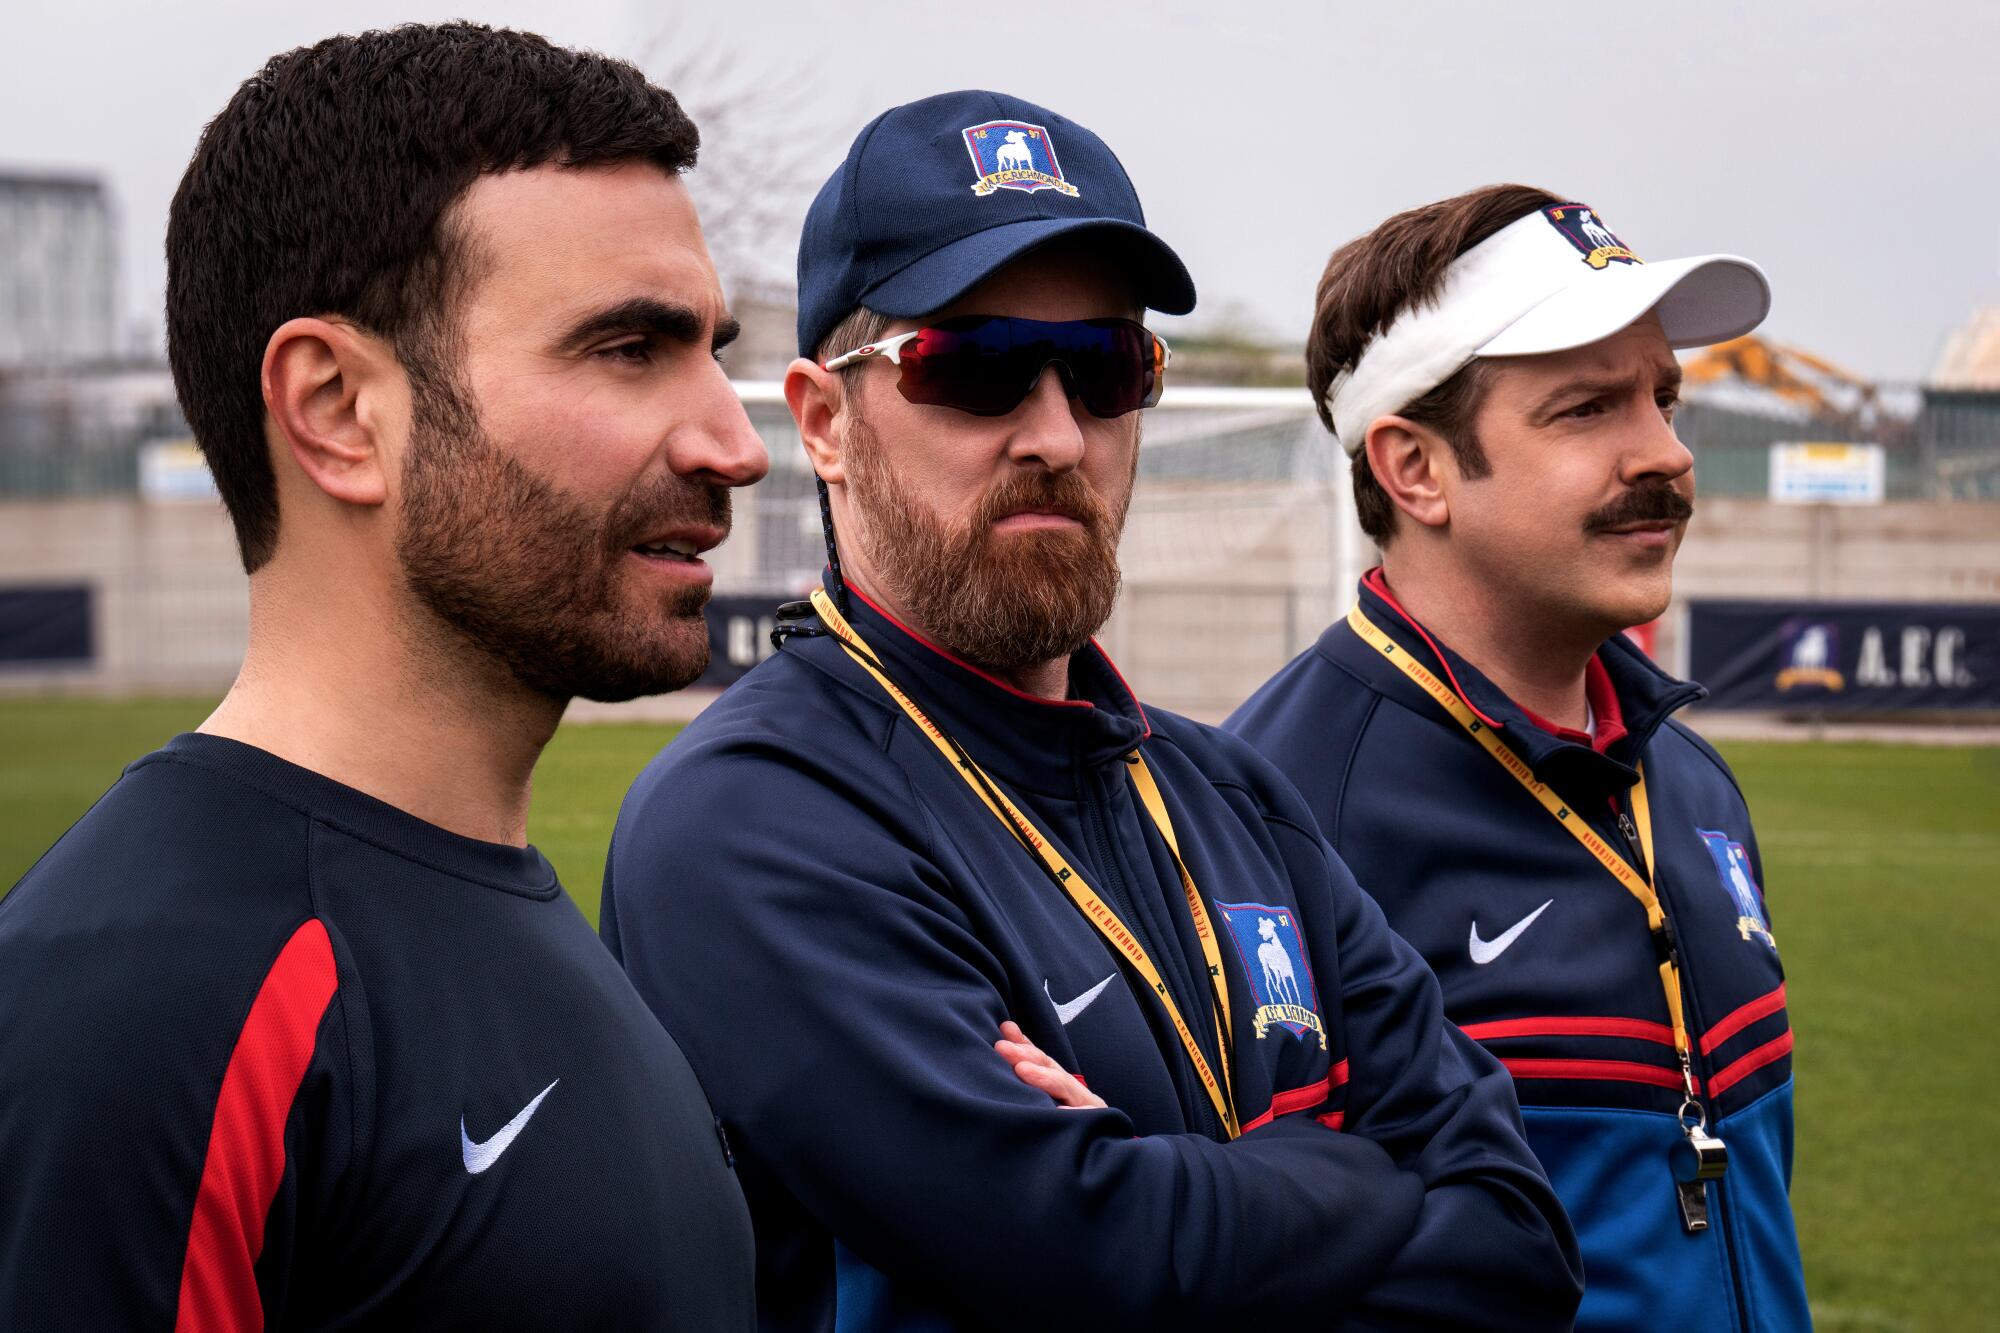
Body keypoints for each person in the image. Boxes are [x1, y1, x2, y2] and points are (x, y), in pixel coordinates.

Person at [601, 91, 1581, 1332]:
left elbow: (1517, 1241)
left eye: (1108, 368)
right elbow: (1090, 1262)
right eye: (976, 366)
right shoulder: (750, 821)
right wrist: (1354, 1170)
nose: (1056, 434)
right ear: (822, 421)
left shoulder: (1228, 795)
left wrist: (1174, 1204)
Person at [0, 24, 768, 1330]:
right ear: (339, 409)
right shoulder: (146, 1005)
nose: (734, 441)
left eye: (712, 348)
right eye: (630, 349)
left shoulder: (499, 915)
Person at [1226, 185, 1809, 1330]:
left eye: (1662, 397)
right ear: (1415, 469)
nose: (1665, 455)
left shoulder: (1686, 777)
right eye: (1586, 410)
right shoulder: (1272, 816)